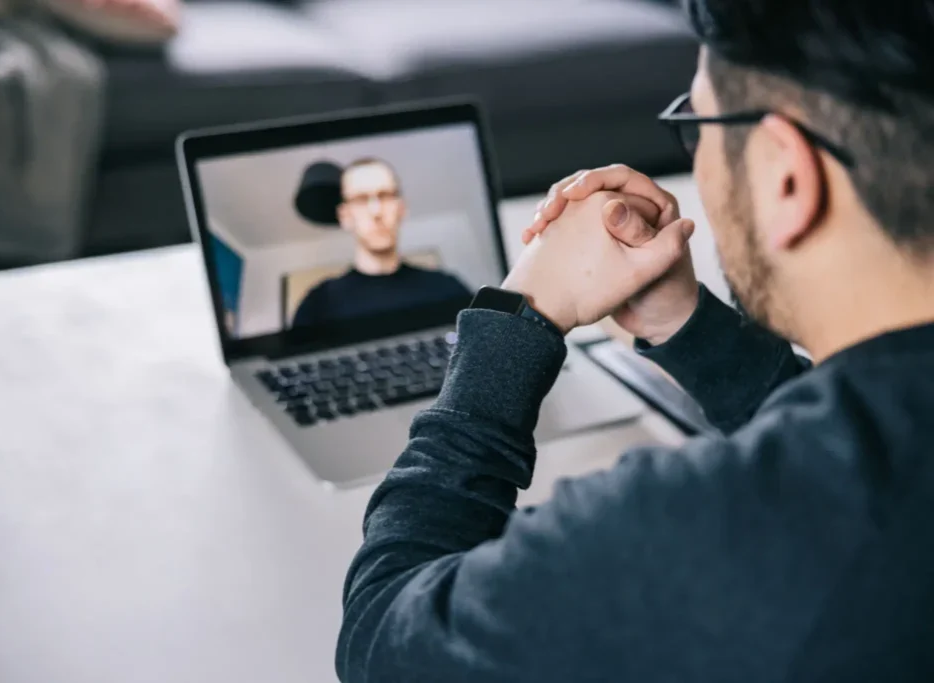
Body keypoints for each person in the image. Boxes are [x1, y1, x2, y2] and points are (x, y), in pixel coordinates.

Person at [336, 1, 934, 682]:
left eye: (697, 123)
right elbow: (867, 437)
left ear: (786, 175)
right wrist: (685, 321)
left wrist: (518, 318)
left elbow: (384, 638)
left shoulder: (698, 531)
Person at [291, 158, 472, 327]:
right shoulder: (317, 305)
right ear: (345, 216)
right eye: (361, 199)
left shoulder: (447, 288)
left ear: (401, 208)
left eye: (385, 195)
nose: (376, 211)